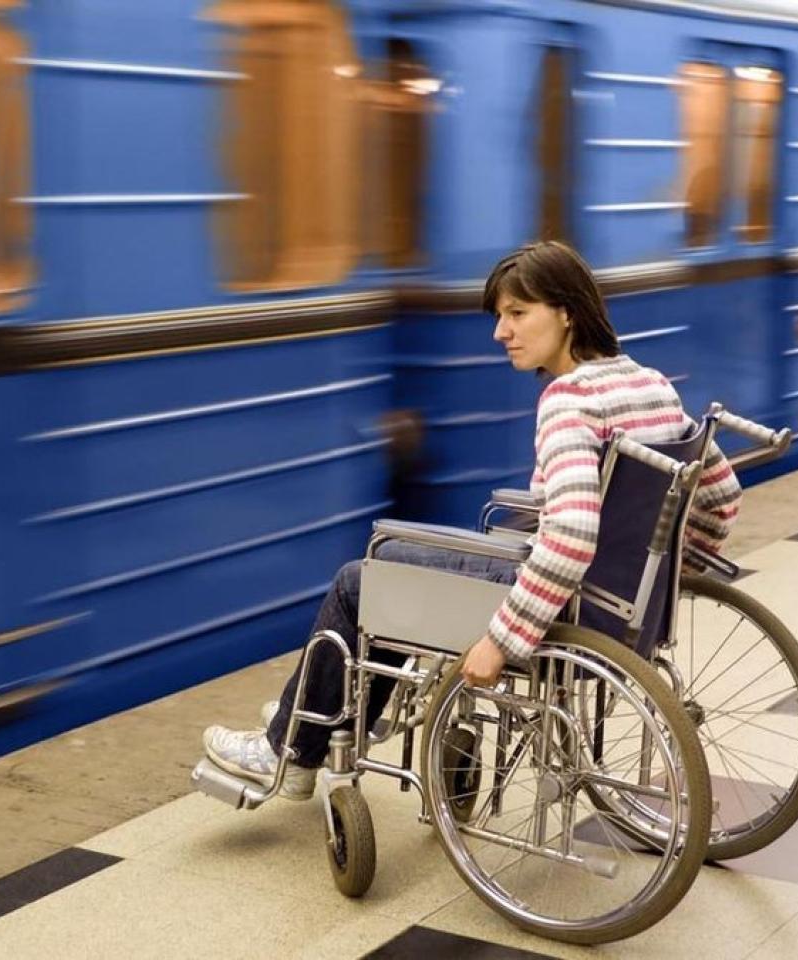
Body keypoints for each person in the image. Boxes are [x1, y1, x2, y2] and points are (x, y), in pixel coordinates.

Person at [202, 240, 743, 799]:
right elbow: (721, 497)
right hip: (625, 611)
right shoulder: (651, 383)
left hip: (559, 609)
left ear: (567, 313)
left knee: (365, 576)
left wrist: (502, 641)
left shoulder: (568, 402)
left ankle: (286, 755)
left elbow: (573, 536)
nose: (500, 332)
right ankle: (334, 715)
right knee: (411, 568)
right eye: (498, 316)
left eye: (516, 314)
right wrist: (651, 581)